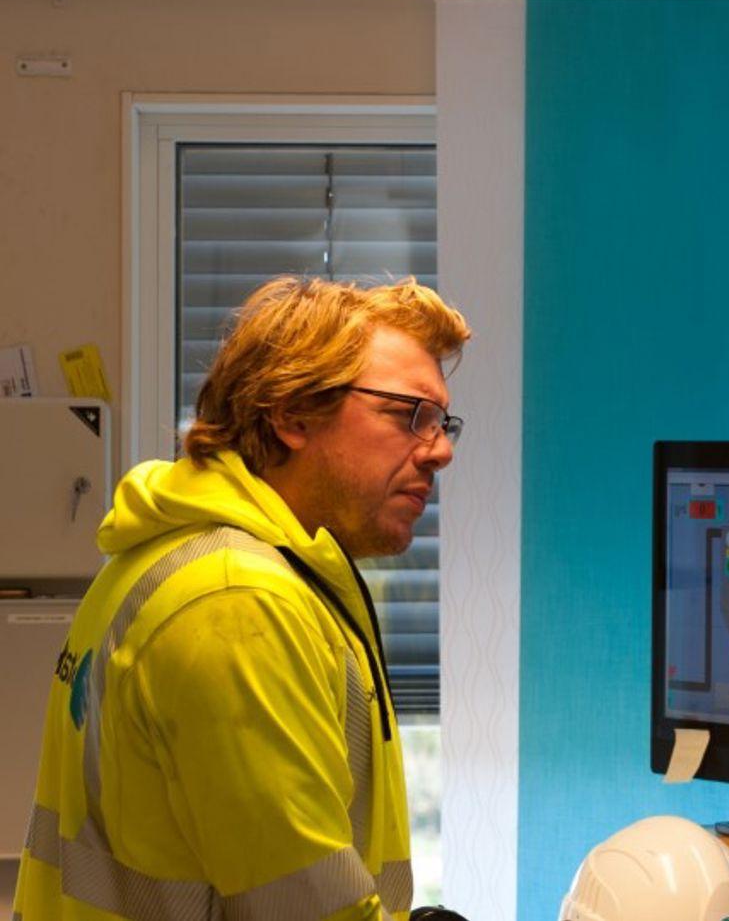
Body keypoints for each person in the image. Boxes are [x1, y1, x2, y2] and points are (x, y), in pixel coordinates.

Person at [14, 275, 471, 921]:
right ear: (291, 414)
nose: (441, 450)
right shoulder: (237, 604)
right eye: (409, 415)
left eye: (444, 420)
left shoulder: (182, 558)